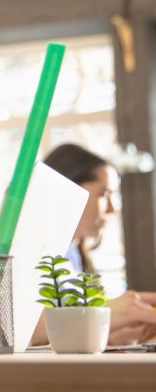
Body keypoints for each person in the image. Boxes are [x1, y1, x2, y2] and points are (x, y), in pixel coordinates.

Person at [42, 143, 156, 345]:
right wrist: (103, 313)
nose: (112, 208)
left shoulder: (76, 256)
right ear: (69, 190)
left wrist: (117, 338)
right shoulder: (37, 261)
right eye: (104, 194)